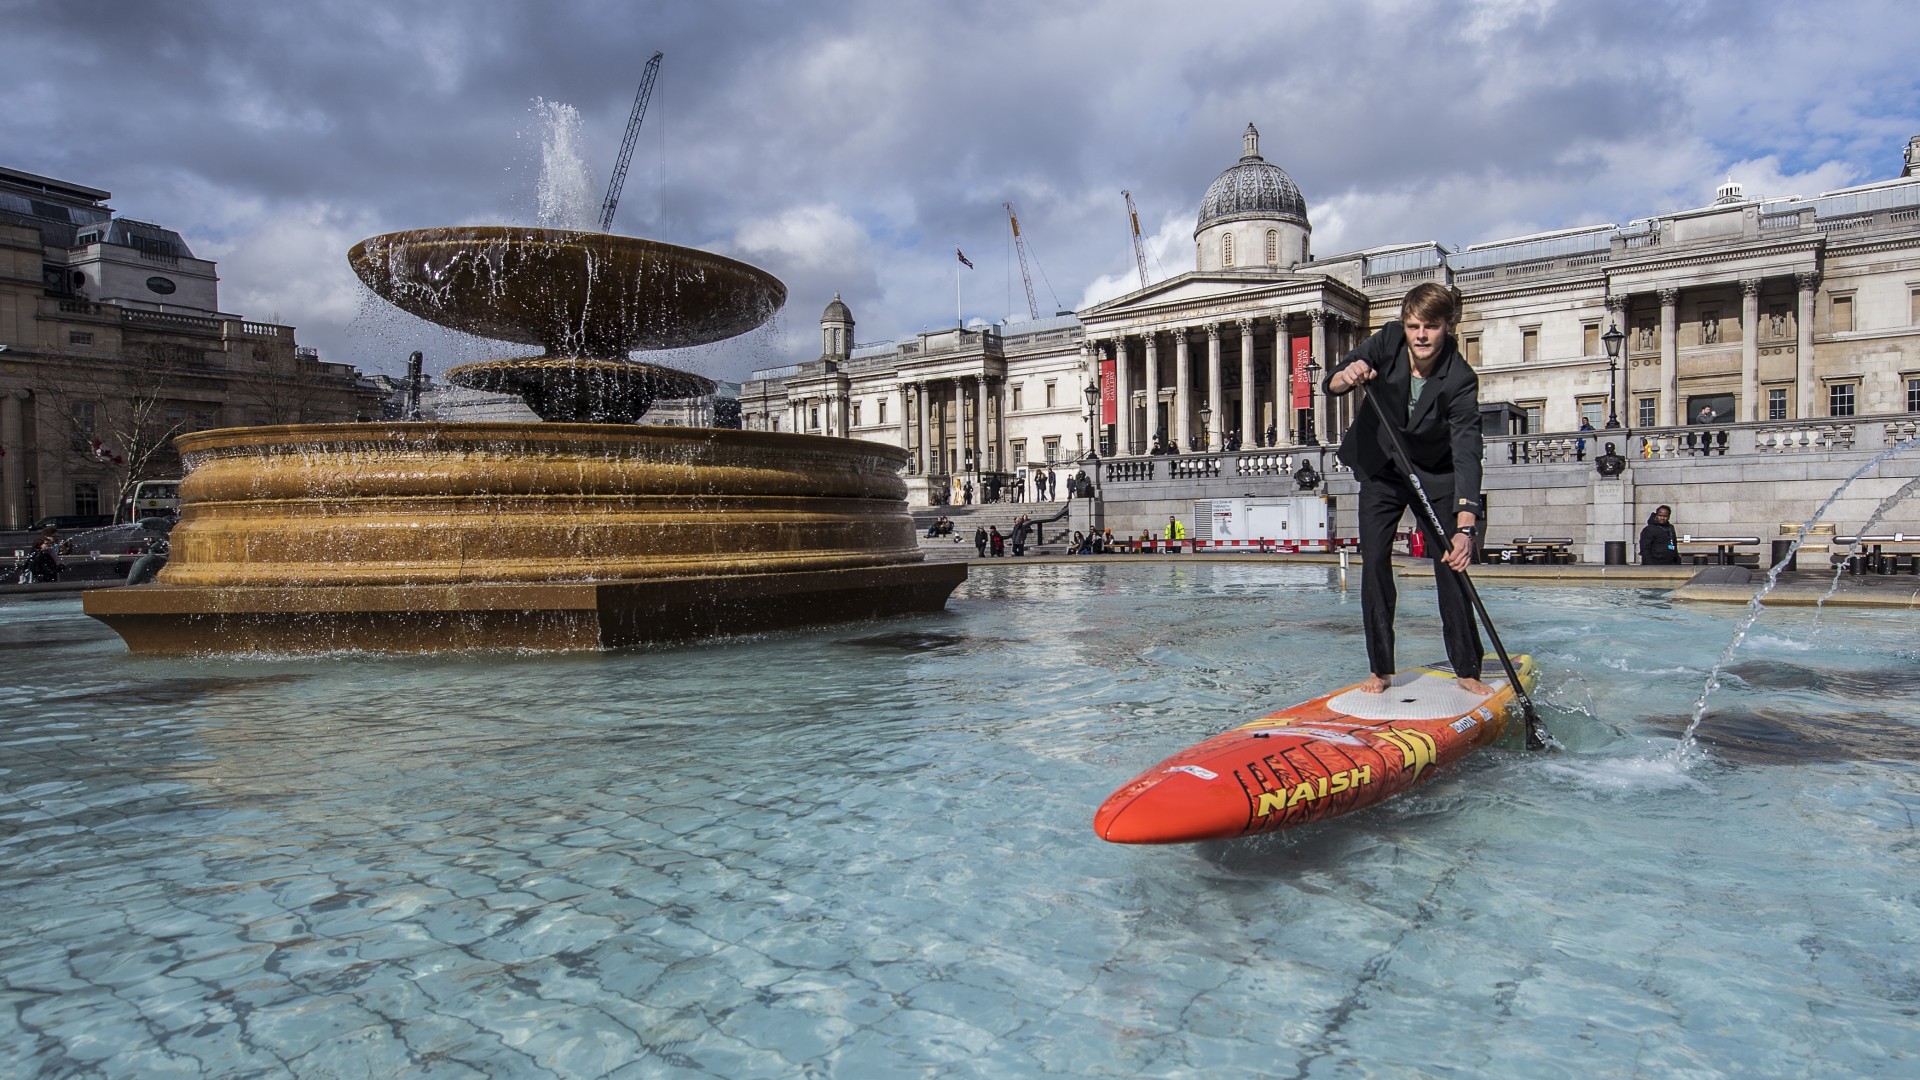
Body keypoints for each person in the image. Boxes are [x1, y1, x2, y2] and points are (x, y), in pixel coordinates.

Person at [1322, 281, 1492, 697]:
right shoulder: (1389, 340)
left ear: (1447, 326)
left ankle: (1467, 668)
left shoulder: (1460, 379)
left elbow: (1468, 451)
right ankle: (1380, 668)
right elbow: (1333, 381)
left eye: (1430, 327)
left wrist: (1465, 526)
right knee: (1375, 562)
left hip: (1434, 474)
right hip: (1382, 468)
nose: (1420, 336)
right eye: (1414, 325)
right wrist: (1349, 374)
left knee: (1450, 565)